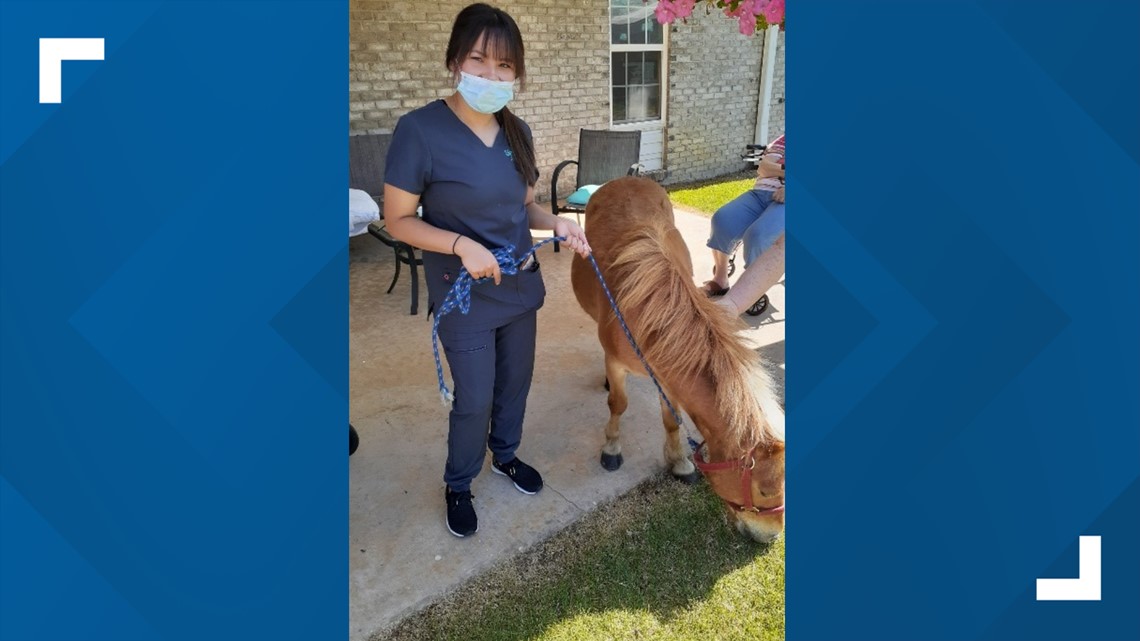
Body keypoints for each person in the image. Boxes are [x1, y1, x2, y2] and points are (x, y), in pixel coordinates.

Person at [382, 3, 591, 538]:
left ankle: (506, 455)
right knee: (473, 397)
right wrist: (458, 244)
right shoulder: (419, 130)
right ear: (455, 59)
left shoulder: (516, 130)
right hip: (464, 295)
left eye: (504, 66)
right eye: (478, 60)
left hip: (520, 286)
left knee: (514, 384)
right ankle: (458, 482)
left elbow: (525, 208)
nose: (491, 75)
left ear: (516, 73)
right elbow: (398, 219)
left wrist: (558, 225)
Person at [702, 134, 785, 313]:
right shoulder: (784, 139)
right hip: (761, 192)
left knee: (758, 235)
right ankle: (720, 280)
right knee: (722, 220)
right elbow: (763, 168)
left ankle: (753, 288)